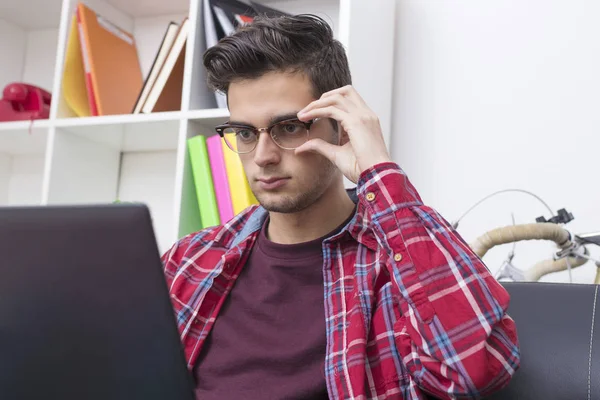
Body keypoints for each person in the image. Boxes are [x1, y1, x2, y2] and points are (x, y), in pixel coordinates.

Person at [161, 13, 520, 400]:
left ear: (339, 125)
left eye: (289, 127)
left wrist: (378, 171)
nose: (262, 156)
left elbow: (468, 373)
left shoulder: (393, 263)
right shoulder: (191, 260)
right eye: (245, 133)